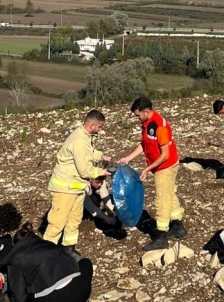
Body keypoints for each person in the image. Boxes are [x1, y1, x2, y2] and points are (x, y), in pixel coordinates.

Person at [119, 97, 187, 251]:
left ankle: (161, 236)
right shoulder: (147, 124)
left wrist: (147, 169)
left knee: (161, 199)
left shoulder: (159, 127)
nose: (137, 118)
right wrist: (129, 158)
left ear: (147, 111)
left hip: (165, 167)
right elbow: (145, 144)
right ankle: (177, 225)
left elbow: (164, 155)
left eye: (138, 115)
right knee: (169, 193)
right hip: (161, 166)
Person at [43, 110, 111, 259]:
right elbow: (85, 170)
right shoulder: (79, 140)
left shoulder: (84, 137)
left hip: (76, 188)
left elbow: (88, 152)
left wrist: (100, 155)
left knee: (74, 220)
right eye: (99, 127)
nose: (100, 130)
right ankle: (46, 255)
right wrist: (102, 172)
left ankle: (69, 249)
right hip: (65, 188)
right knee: (57, 222)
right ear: (92, 125)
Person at [0, 222, 92, 302]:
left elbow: (19, 295)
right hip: (80, 295)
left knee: (29, 288)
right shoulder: (48, 244)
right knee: (85, 262)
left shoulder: (15, 258)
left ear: (16, 245)